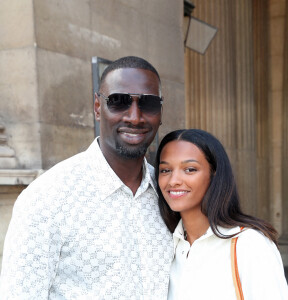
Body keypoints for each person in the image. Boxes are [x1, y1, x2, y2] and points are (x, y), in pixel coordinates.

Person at [0, 56, 173, 299]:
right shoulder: (46, 198)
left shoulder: (171, 195)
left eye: (149, 104)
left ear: (161, 112)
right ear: (97, 107)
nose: (135, 117)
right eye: (119, 101)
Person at [155, 129, 288, 300]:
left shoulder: (250, 245)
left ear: (214, 175)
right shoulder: (165, 248)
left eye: (189, 169)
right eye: (165, 170)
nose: (173, 180)